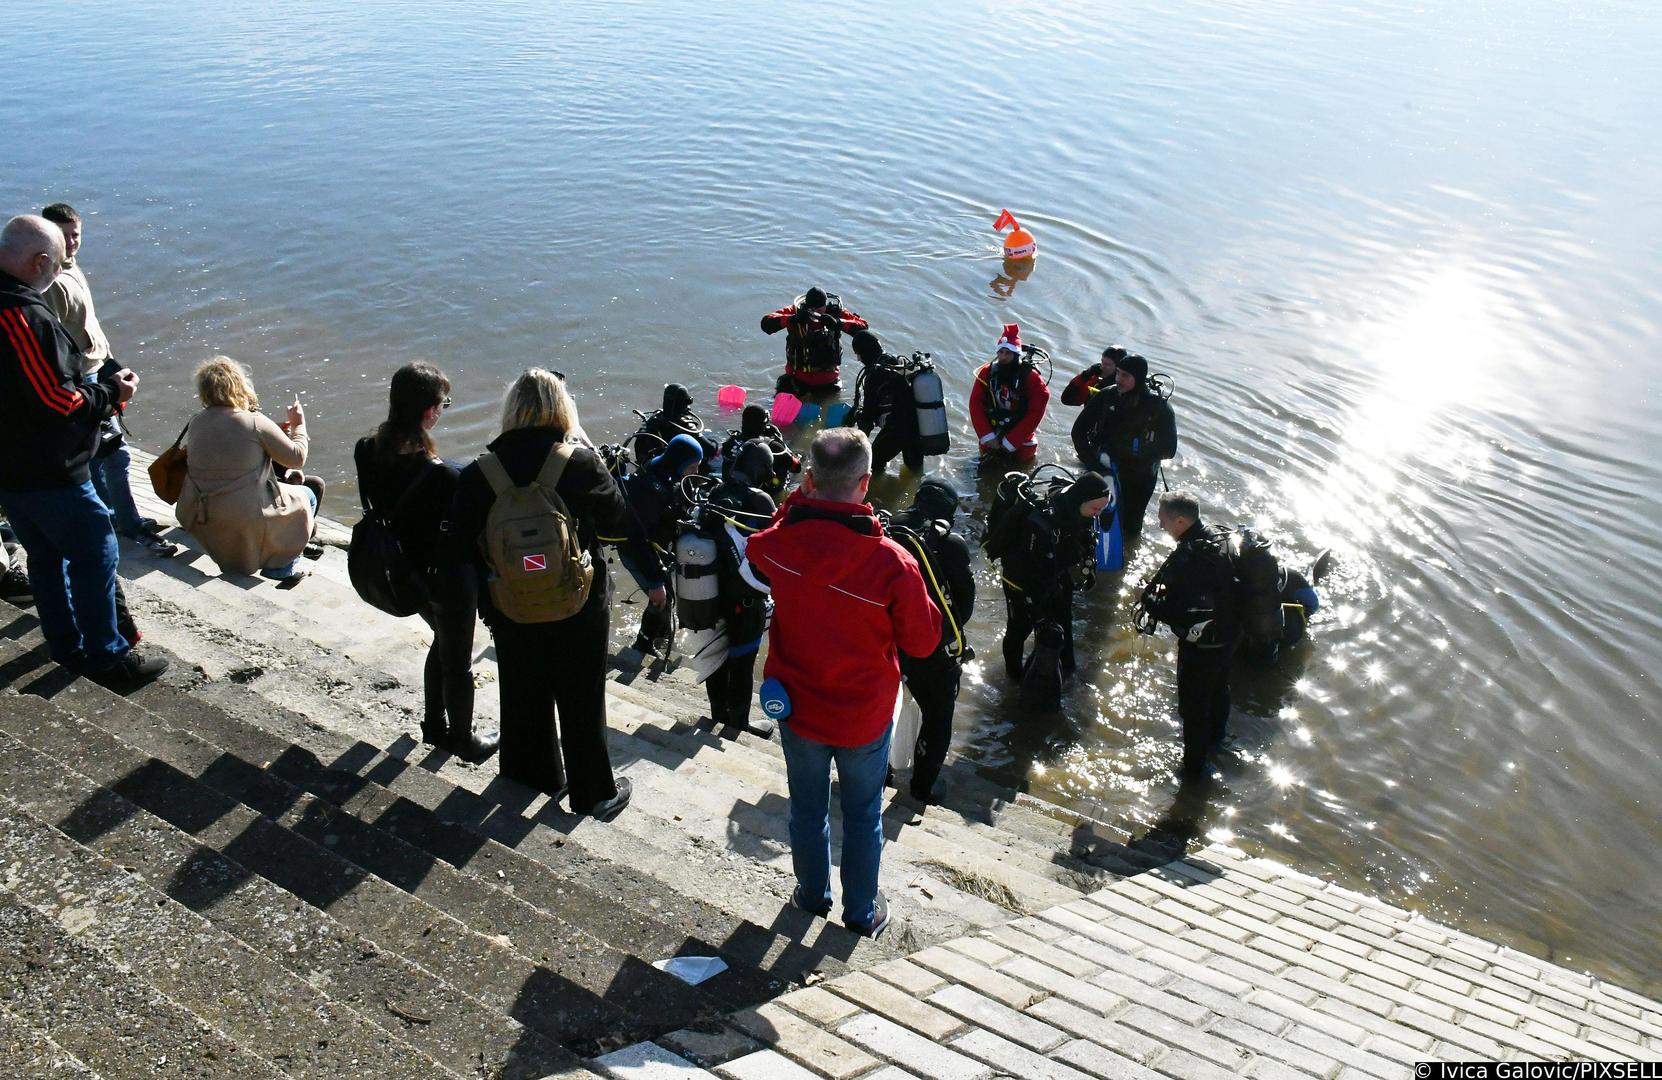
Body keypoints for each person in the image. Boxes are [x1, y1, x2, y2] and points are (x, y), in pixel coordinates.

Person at [746, 428, 939, 936]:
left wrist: (797, 500)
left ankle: (811, 898)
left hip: (799, 710)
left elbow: (760, 543)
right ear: (866, 483)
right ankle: (860, 913)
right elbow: (922, 644)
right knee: (862, 817)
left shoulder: (779, 545)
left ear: (808, 480)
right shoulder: (893, 563)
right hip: (863, 715)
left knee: (807, 811)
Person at [445, 369, 660, 816]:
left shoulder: (480, 473)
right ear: (562, 408)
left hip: (508, 603)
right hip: (578, 601)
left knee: (523, 689)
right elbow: (620, 523)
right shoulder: (577, 463)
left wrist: (483, 607)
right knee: (582, 695)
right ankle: (594, 792)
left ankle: (530, 774)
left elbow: (461, 549)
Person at [0, 214, 165, 689]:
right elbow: (56, 401)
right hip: (48, 470)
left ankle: (66, 645)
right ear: (40, 261)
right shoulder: (20, 315)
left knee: (45, 557)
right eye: (56, 265)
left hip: (12, 468)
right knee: (97, 553)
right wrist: (112, 394)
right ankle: (109, 658)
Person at [354, 362, 495, 762]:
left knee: (442, 640)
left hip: (400, 571)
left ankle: (434, 725)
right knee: (459, 662)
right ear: (429, 412)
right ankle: (464, 740)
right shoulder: (447, 476)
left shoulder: (365, 450)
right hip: (445, 580)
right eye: (442, 404)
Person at [39, 203, 178, 558]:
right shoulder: (51, 283)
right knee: (112, 457)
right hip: (82, 380)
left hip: (96, 371)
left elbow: (88, 326)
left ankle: (117, 519)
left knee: (107, 457)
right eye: (64, 235)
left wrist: (111, 364)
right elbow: (55, 341)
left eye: (76, 234)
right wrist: (94, 382)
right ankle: (124, 526)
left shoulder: (70, 267)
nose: (71, 242)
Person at [177, 357, 321, 580]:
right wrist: (298, 425)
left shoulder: (196, 421)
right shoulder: (255, 421)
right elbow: (297, 457)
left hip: (202, 512)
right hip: (244, 514)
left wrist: (271, 432)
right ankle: (283, 564)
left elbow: (232, 448)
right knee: (309, 494)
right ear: (239, 386)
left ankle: (279, 546)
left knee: (277, 491)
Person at [1134, 491, 1241, 776]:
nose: (1161, 527)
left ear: (1180, 521)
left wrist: (1145, 597)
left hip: (1203, 646)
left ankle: (1194, 772)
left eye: (1163, 521)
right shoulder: (1220, 538)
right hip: (1232, 635)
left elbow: (1173, 614)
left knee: (1193, 710)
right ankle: (1217, 740)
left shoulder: (1190, 557)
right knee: (1220, 688)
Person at [886, 479, 975, 805]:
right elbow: (962, 609)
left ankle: (878, 775)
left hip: (883, 641)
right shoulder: (950, 544)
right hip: (929, 651)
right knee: (937, 718)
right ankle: (922, 790)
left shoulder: (886, 527)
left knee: (882, 708)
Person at [993, 472, 1111, 706]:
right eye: (1095, 509)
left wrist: (1087, 570)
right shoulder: (1040, 523)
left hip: (1056, 574)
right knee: (1019, 630)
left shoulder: (1080, 512)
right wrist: (1036, 611)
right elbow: (1029, 572)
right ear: (1081, 501)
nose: (1097, 515)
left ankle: (1067, 673)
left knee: (1063, 624)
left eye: (1101, 510)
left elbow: (1079, 546)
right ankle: (1013, 679)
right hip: (1021, 581)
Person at [698, 439, 778, 738]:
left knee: (718, 655)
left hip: (713, 592)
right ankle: (738, 725)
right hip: (746, 598)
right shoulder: (760, 501)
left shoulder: (717, 491)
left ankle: (717, 714)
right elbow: (773, 550)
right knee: (743, 661)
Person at [1071, 352, 1176, 541]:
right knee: (1088, 518)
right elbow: (1077, 432)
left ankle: (1126, 548)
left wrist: (1138, 454)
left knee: (1131, 527)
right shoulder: (1106, 396)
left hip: (1140, 476)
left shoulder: (1158, 407)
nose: (1118, 379)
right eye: (1118, 373)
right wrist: (1092, 464)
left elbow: (1170, 449)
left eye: (1125, 375)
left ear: (1139, 378)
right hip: (1104, 469)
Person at [619, 432, 703, 658]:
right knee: (662, 599)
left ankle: (660, 633)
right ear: (679, 463)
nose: (696, 472)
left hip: (653, 547)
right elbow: (638, 539)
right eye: (693, 466)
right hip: (637, 551)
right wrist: (655, 581)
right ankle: (643, 644)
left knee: (666, 598)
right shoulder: (650, 489)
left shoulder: (664, 471)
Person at [760, 286, 868, 396]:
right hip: (797, 377)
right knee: (783, 389)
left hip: (827, 379)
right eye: (812, 309)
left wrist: (839, 323)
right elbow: (766, 323)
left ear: (825, 306)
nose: (815, 313)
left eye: (819, 310)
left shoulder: (835, 312)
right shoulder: (797, 311)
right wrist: (791, 319)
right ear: (807, 306)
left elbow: (863, 327)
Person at [970, 323, 1049, 464]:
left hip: (1020, 429)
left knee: (1024, 458)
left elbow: (1036, 412)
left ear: (1016, 354)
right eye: (1000, 352)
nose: (1003, 357)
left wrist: (1011, 441)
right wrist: (987, 436)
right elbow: (975, 403)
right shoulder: (987, 372)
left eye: (1008, 353)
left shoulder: (1031, 378)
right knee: (984, 460)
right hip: (994, 425)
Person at [848, 330, 923, 474]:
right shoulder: (899, 362)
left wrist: (856, 446)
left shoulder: (874, 374)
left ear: (863, 353)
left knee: (872, 465)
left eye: (858, 355)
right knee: (915, 473)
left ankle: (877, 495)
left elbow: (868, 418)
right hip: (919, 426)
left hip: (898, 429)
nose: (858, 359)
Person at [718, 404, 800, 497]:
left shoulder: (731, 441)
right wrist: (780, 441)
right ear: (763, 425)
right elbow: (797, 467)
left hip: (729, 488)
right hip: (761, 494)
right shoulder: (771, 445)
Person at [633, 382, 720, 464]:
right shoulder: (685, 426)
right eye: (687, 402)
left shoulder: (655, 418)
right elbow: (711, 450)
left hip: (649, 464)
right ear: (683, 404)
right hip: (672, 467)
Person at [1059, 345, 1126, 407]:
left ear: (1119, 367)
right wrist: (1085, 376)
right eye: (1102, 362)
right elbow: (1067, 400)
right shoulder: (1095, 380)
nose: (1102, 367)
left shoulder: (1123, 388)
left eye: (1107, 365)